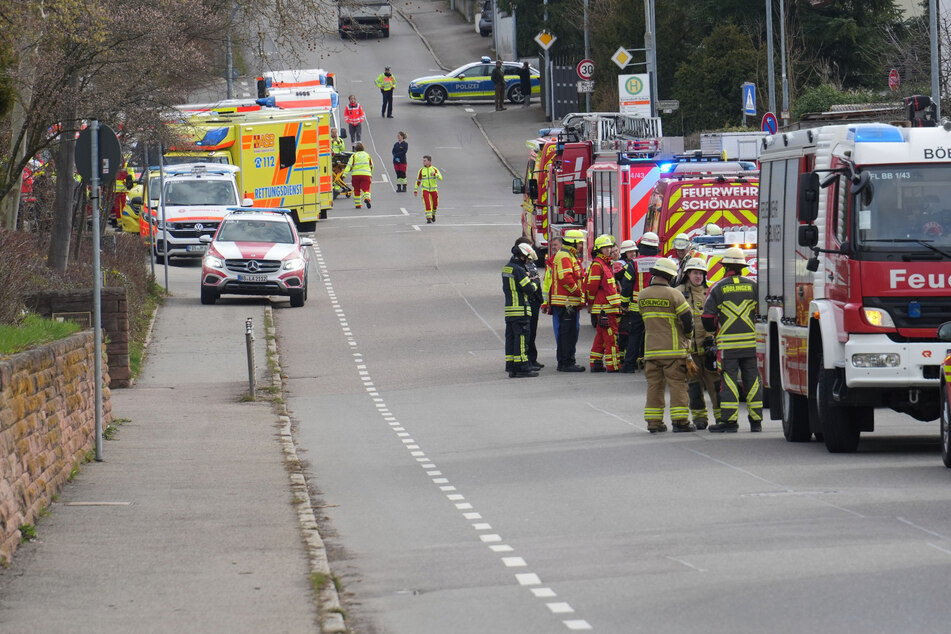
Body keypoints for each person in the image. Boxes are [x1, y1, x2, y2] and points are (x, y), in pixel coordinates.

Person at [702, 247, 762, 433]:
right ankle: (756, 422)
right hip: (751, 344)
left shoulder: (718, 287)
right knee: (753, 381)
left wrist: (715, 329)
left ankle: (729, 421)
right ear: (742, 267)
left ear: (725, 266)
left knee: (728, 381)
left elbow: (707, 320)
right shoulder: (753, 286)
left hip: (728, 347)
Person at [639, 257, 694, 433]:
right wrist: (688, 337)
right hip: (673, 351)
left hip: (651, 351)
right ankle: (680, 422)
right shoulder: (675, 295)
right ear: (670, 277)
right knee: (678, 385)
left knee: (654, 386)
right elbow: (687, 321)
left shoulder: (643, 295)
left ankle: (654, 423)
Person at [676, 257, 720, 430]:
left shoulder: (711, 292)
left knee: (716, 385)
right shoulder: (678, 292)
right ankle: (700, 419)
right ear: (687, 274)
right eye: (695, 273)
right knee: (694, 387)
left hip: (709, 349)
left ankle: (721, 417)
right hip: (689, 350)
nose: (698, 277)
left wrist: (714, 341)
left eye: (701, 273)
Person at [619, 231, 660, 373]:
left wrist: (624, 304)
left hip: (638, 306)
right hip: (658, 307)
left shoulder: (634, 264)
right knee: (656, 335)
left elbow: (627, 285)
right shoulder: (662, 261)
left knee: (634, 336)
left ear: (642, 245)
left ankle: (629, 366)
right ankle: (655, 367)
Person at [585, 234, 623, 372]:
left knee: (601, 337)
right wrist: (591, 304)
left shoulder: (606, 264)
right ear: (598, 250)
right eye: (604, 248)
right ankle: (613, 366)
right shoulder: (598, 265)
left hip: (609, 307)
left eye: (609, 247)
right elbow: (591, 287)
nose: (608, 250)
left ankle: (596, 363)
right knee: (611, 337)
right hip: (605, 308)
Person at [550, 229, 586, 372]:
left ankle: (567, 361)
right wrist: (578, 292)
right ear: (574, 243)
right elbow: (565, 278)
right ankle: (566, 363)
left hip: (568, 302)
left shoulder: (568, 255)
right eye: (580, 244)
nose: (582, 247)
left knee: (569, 333)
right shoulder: (565, 256)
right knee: (567, 334)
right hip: (566, 302)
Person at [503, 243, 540, 378]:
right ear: (522, 256)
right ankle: (522, 367)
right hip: (521, 310)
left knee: (511, 339)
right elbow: (529, 289)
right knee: (521, 340)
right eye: (527, 258)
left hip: (510, 310)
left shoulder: (507, 268)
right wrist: (535, 282)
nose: (528, 261)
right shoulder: (518, 270)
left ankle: (512, 366)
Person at [515, 237, 544, 371]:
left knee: (532, 333)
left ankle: (533, 358)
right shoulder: (521, 265)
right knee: (527, 333)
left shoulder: (531, 263)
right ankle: (528, 359)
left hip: (535, 301)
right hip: (528, 302)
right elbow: (531, 283)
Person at [616, 240, 639, 372]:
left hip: (633, 304)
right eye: (630, 252)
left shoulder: (634, 263)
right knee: (624, 333)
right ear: (624, 253)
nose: (633, 254)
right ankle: (623, 359)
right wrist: (632, 266)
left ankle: (634, 359)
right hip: (624, 304)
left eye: (634, 251)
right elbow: (618, 274)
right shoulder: (620, 264)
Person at [541, 235, 563, 339]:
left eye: (555, 245)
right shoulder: (550, 262)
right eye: (552, 245)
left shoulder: (565, 260)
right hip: (555, 302)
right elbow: (546, 284)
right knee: (558, 330)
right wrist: (545, 303)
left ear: (562, 246)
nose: (553, 247)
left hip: (567, 301)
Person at [343, 142, 373, 209]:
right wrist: (370, 174)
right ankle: (367, 199)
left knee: (356, 189)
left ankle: (358, 204)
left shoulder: (354, 156)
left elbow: (349, 166)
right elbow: (371, 165)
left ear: (356, 149)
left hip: (355, 175)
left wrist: (344, 174)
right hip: (366, 175)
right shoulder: (367, 155)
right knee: (366, 189)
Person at [414, 155, 443, 223]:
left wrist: (435, 174)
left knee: (435, 204)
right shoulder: (421, 170)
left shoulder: (434, 169)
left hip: (433, 190)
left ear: (429, 161)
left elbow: (441, 178)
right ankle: (428, 218)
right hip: (425, 190)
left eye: (425, 160)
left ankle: (433, 214)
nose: (423, 162)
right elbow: (418, 180)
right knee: (427, 203)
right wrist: (415, 190)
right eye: (423, 160)